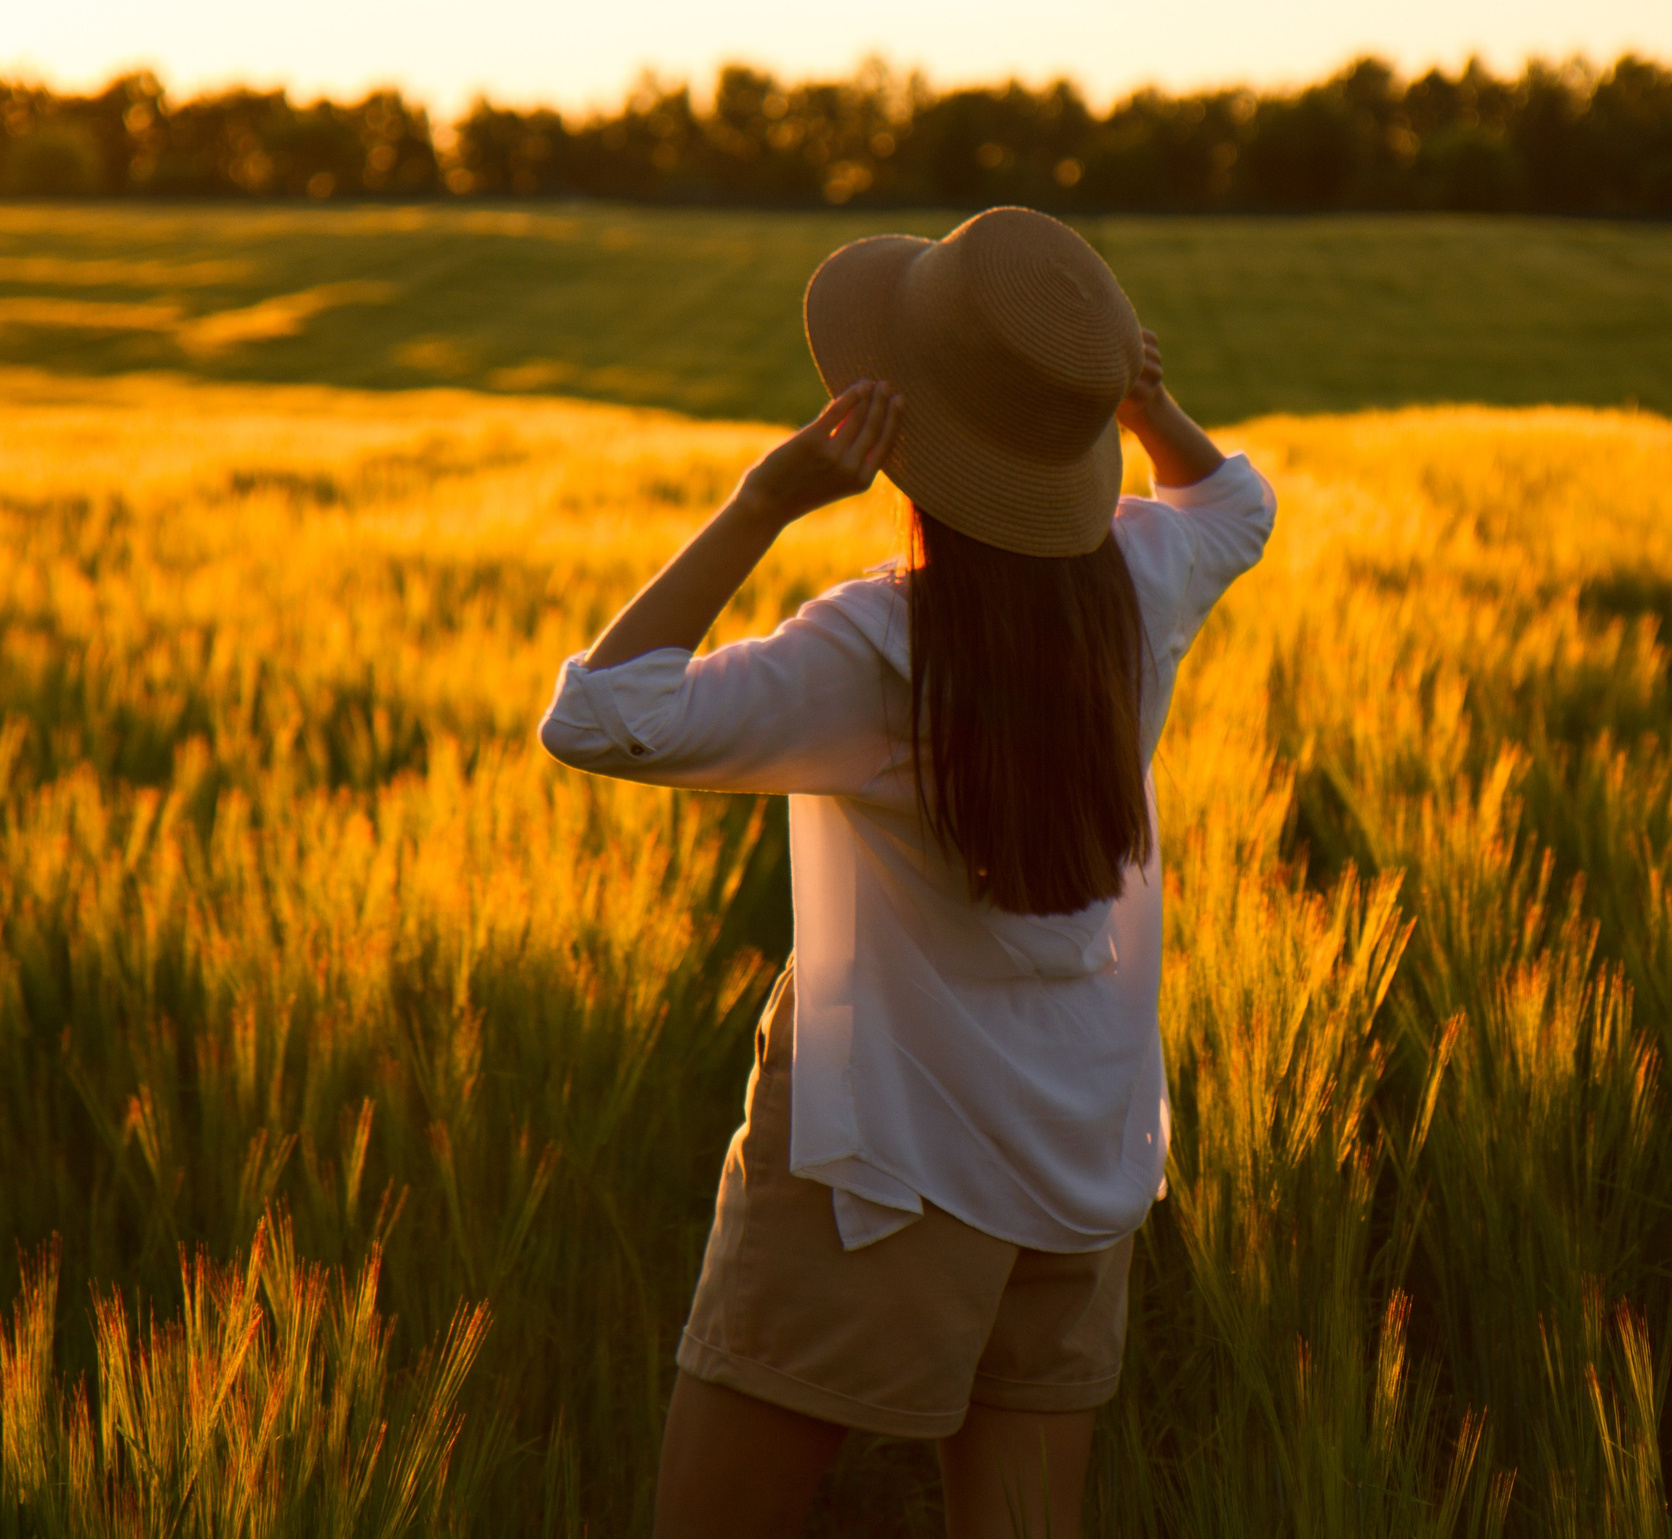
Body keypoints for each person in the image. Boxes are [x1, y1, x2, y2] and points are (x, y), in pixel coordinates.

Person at [540, 206, 1275, 1538]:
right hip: (1085, 1150)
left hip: (884, 1168)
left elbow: (599, 718)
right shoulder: (1143, 577)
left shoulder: (876, 651)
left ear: (906, 428)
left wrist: (765, 501)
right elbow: (1236, 505)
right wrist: (1151, 411)